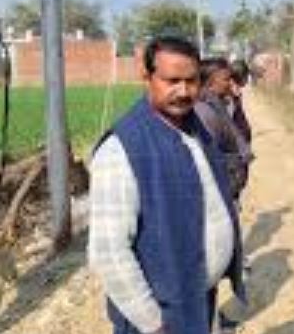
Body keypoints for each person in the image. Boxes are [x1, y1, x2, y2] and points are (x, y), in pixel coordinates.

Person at [88, 36, 245, 334]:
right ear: (147, 77)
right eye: (172, 81)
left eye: (191, 81)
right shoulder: (121, 150)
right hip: (162, 318)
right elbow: (110, 253)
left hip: (197, 301)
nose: (183, 91)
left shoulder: (196, 129)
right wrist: (153, 323)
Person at [194, 57, 253, 201]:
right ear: (210, 83)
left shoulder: (218, 104)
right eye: (226, 79)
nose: (230, 83)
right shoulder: (205, 112)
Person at [228, 60, 252, 145]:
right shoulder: (229, 96)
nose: (247, 79)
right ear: (241, 76)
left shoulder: (235, 94)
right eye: (246, 76)